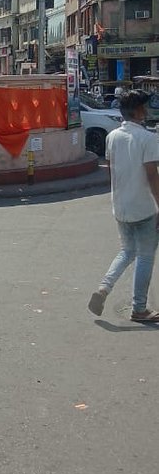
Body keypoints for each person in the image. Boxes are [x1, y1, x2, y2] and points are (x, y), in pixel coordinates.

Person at [88, 89, 159, 323]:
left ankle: (104, 288)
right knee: (145, 256)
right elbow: (152, 176)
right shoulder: (148, 139)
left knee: (127, 251)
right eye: (144, 107)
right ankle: (139, 308)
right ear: (139, 111)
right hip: (144, 206)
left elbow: (112, 170)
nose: (146, 111)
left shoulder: (113, 136)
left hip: (120, 205)